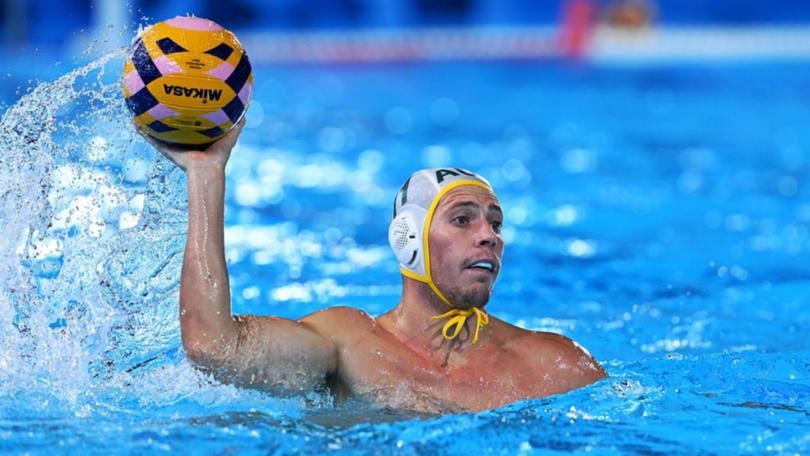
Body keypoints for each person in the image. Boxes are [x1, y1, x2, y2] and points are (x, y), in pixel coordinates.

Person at [142, 119, 606, 414]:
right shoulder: (348, 347)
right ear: (408, 241)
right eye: (462, 220)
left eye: (496, 223)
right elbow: (212, 346)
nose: (489, 235)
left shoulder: (555, 364)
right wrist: (207, 173)